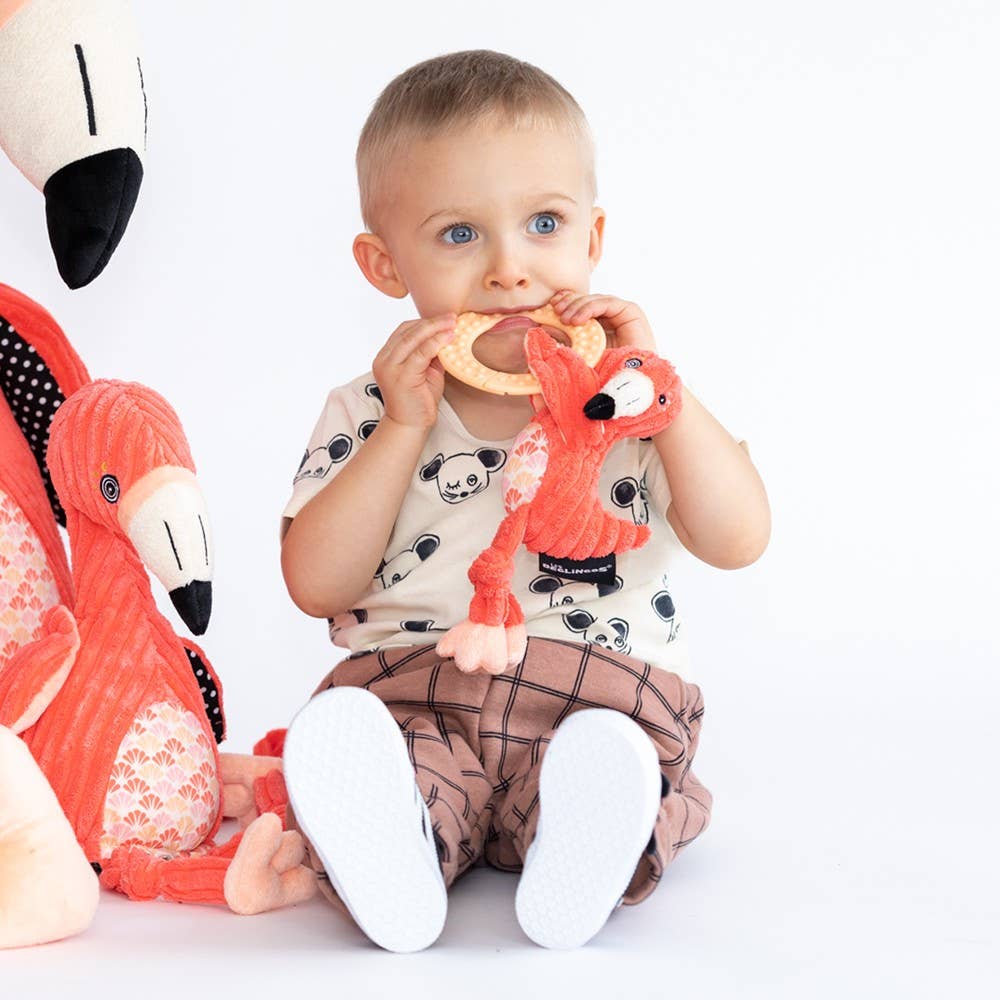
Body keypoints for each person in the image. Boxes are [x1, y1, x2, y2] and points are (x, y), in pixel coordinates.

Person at [279, 50, 770, 952]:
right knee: (390, 757)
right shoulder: (365, 409)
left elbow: (739, 538)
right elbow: (317, 583)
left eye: (543, 222)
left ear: (593, 237)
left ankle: (582, 839)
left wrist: (661, 394)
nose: (510, 270)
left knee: (612, 759)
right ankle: (401, 851)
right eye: (459, 234)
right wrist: (400, 431)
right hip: (414, 694)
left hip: (600, 692)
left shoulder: (630, 403)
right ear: (383, 263)